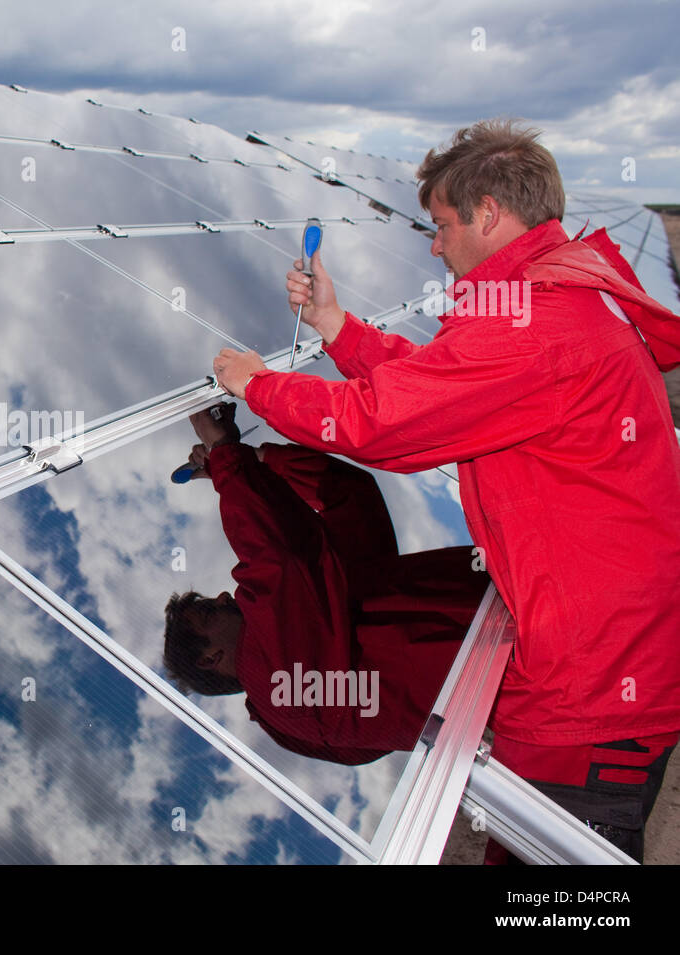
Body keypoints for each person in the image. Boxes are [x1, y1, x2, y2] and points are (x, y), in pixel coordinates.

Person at [210, 118, 680, 861]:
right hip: (605, 655)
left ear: (489, 214)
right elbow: (442, 383)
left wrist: (259, 386)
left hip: (591, 686)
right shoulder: (555, 298)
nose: (433, 244)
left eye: (442, 224)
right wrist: (336, 327)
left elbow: (377, 424)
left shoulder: (536, 324)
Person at [163, 404, 488, 765]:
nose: (225, 596)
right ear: (211, 660)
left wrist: (258, 459)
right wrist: (226, 455)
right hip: (524, 657)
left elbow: (349, 497)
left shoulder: (328, 609)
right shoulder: (280, 695)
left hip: (513, 600)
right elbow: (280, 565)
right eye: (210, 611)